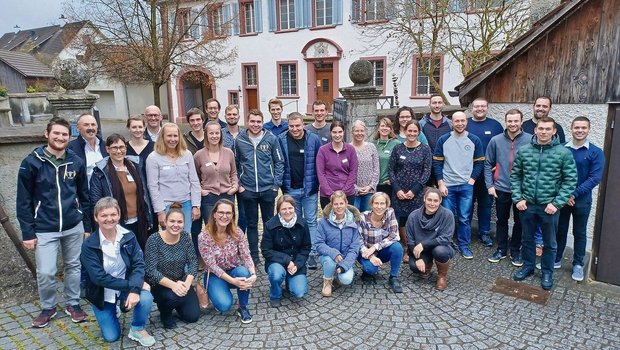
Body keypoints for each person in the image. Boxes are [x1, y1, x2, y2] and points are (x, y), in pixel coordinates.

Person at [17, 117, 91, 327]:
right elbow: (23, 201)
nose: (60, 137)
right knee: (46, 271)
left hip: (73, 225)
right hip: (44, 228)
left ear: (70, 137)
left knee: (73, 266)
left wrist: (86, 225)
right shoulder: (31, 162)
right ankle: (48, 307)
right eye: (56, 133)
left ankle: (73, 303)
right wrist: (27, 233)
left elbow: (84, 196)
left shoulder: (75, 161)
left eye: (64, 134)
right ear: (47, 134)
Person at [511, 116, 577, 290]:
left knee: (549, 242)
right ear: (535, 130)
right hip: (527, 205)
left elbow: (570, 181)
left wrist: (556, 203)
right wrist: (518, 198)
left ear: (554, 131)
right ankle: (528, 266)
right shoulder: (524, 151)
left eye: (548, 129)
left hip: (550, 206)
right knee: (527, 239)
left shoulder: (563, 153)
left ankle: (547, 272)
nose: (544, 132)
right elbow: (516, 176)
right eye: (541, 128)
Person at [80, 197, 155, 346]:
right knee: (111, 336)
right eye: (104, 215)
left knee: (146, 298)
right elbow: (99, 278)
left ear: (119, 215)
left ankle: (137, 328)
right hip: (102, 292)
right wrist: (133, 286)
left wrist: (135, 289)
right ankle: (113, 310)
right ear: (96, 218)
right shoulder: (89, 245)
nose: (109, 219)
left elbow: (138, 265)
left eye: (113, 214)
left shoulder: (128, 236)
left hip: (126, 285)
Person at [555, 116, 604, 281]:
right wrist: (564, 194)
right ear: (571, 128)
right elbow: (556, 174)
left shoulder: (595, 152)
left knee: (579, 232)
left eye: (583, 128)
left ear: (588, 129)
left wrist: (573, 194)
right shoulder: (561, 148)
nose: (580, 130)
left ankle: (577, 264)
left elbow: (594, 178)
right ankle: (556, 258)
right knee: (560, 230)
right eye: (577, 127)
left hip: (582, 200)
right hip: (562, 198)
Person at [235, 109, 285, 264]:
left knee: (269, 223)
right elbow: (235, 164)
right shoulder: (240, 140)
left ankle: (269, 253)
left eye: (258, 121)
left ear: (262, 122)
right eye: (252, 121)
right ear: (247, 122)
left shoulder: (271, 138)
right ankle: (254, 256)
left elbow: (279, 162)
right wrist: (240, 185)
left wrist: (275, 185)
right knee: (251, 224)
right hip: (248, 189)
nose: (255, 124)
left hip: (267, 189)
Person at [433, 111, 485, 259]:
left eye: (462, 121)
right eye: (457, 121)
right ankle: (447, 244)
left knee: (464, 217)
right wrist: (440, 183)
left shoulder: (474, 140)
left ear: (466, 122)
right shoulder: (444, 139)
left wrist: (472, 180)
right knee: (447, 217)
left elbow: (480, 161)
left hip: (466, 185)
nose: (460, 124)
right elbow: (437, 162)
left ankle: (464, 245)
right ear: (452, 123)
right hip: (447, 185)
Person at [89, 134, 153, 250]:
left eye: (122, 147)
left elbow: (144, 194)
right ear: (107, 149)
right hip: (116, 222)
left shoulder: (135, 166)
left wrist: (149, 218)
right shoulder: (100, 172)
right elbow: (95, 200)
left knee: (140, 253)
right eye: (114, 147)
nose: (119, 151)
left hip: (139, 221)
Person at [485, 109, 531, 266]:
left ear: (521, 122)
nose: (512, 124)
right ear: (506, 122)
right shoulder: (496, 140)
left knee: (520, 222)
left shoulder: (531, 140)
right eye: (510, 121)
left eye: (515, 121)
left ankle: (516, 250)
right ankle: (501, 249)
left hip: (522, 191)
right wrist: (490, 185)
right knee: (501, 220)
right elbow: (488, 163)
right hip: (501, 188)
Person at [198, 199, 256, 324]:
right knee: (224, 306)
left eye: (228, 213)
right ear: (214, 214)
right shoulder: (204, 237)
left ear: (232, 215)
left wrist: (253, 274)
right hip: (215, 275)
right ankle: (220, 291)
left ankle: (243, 307)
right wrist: (233, 281)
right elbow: (212, 265)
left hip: (233, 270)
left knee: (244, 272)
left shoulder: (237, 232)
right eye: (221, 212)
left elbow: (246, 254)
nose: (224, 216)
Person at [144, 202, 200, 329]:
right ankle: (165, 311)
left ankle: (178, 303)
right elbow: (151, 270)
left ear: (183, 223)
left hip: (181, 279)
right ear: (165, 222)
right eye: (172, 221)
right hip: (160, 284)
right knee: (173, 296)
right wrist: (174, 286)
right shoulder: (154, 239)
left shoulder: (185, 237)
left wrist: (186, 283)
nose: (176, 225)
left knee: (192, 317)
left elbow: (193, 262)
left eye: (179, 222)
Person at [278, 112, 322, 269]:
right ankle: (295, 252)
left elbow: (319, 162)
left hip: (309, 188)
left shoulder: (313, 139)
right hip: (290, 188)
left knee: (310, 221)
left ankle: (312, 254)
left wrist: (317, 183)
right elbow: (279, 162)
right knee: (293, 221)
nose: (295, 129)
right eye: (291, 126)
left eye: (298, 125)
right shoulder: (281, 139)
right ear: (287, 125)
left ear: (303, 124)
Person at [388, 119, 432, 263]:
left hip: (417, 193)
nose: (412, 133)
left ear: (419, 133)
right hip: (399, 192)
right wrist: (397, 189)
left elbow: (426, 172)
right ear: (405, 132)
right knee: (401, 220)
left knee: (414, 221)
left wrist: (414, 190)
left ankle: (415, 248)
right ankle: (405, 248)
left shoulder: (425, 149)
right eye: (409, 131)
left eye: (415, 131)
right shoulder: (398, 148)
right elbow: (391, 170)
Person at [146, 123, 201, 234]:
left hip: (186, 203)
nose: (173, 139)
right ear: (162, 137)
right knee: (170, 238)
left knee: (185, 236)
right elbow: (152, 186)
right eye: (169, 136)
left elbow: (194, 181)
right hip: (166, 205)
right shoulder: (153, 157)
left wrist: (196, 205)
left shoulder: (187, 154)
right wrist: (160, 212)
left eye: (175, 136)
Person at [465, 98, 503, 247]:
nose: (479, 109)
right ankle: (465, 232)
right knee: (466, 204)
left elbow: (503, 147)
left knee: (486, 204)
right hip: (468, 173)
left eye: (482, 106)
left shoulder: (495, 126)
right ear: (471, 108)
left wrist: (498, 165)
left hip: (487, 173)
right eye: (476, 106)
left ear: (487, 108)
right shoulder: (464, 123)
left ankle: (485, 233)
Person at [261, 195, 311, 307]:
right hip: (277, 262)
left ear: (294, 208)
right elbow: (266, 250)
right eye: (284, 209)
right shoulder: (270, 225)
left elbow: (306, 247)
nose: (287, 211)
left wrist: (297, 264)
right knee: (276, 275)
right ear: (278, 210)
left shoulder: (303, 223)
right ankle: (275, 294)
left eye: (290, 208)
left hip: (296, 262)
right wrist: (287, 260)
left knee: (299, 292)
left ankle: (290, 282)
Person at [194, 121, 238, 248]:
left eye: (217, 133)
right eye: (211, 133)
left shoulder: (228, 153)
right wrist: (201, 191)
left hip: (227, 196)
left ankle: (229, 255)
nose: (214, 136)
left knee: (227, 227)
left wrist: (234, 186)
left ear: (221, 134)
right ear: (206, 135)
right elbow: (194, 177)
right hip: (209, 198)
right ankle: (210, 258)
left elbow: (234, 172)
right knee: (211, 229)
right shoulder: (199, 155)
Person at [406, 188, 455, 290]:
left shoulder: (447, 215)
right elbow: (410, 240)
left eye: (435, 201)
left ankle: (442, 276)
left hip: (440, 247)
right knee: (414, 266)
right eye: (429, 200)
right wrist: (418, 259)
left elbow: (446, 238)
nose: (432, 204)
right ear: (424, 199)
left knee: (440, 252)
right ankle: (427, 265)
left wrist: (423, 244)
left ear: (440, 201)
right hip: (421, 251)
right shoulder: (413, 216)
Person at [316, 191, 361, 297]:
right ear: (332, 205)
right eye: (336, 204)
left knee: (346, 279)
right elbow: (319, 244)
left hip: (345, 258)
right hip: (328, 256)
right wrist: (334, 253)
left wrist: (345, 265)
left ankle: (339, 275)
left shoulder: (354, 223)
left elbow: (354, 248)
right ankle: (327, 281)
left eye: (341, 203)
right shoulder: (323, 222)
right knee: (329, 261)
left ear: (346, 203)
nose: (339, 207)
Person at [357, 192, 403, 293]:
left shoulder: (390, 213)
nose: (379, 207)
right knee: (370, 269)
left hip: (381, 250)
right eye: (376, 203)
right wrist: (370, 255)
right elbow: (358, 240)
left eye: (382, 203)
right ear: (371, 204)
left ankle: (393, 277)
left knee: (397, 247)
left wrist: (375, 247)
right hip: (365, 252)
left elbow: (394, 235)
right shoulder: (362, 217)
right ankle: (366, 271)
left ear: (387, 205)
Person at [316, 121, 358, 209]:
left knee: (347, 221)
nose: (337, 135)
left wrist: (343, 193)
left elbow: (353, 172)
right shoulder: (323, 150)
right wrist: (330, 194)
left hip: (347, 195)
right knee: (329, 221)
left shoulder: (350, 150)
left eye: (340, 132)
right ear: (330, 133)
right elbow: (321, 174)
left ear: (344, 132)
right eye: (334, 132)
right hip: (327, 196)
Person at [68, 113, 108, 184]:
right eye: (86, 125)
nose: (90, 128)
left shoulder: (105, 146)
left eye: (93, 124)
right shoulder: (71, 148)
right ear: (78, 128)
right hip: (85, 193)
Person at [350, 120, 379, 212]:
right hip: (352, 191)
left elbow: (376, 168)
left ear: (365, 131)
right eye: (357, 131)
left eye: (362, 131)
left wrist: (370, 186)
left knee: (367, 219)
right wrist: (356, 188)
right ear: (352, 132)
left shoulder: (371, 147)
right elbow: (345, 171)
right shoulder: (347, 148)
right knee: (353, 219)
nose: (359, 133)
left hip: (369, 192)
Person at [371, 117, 401, 198]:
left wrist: (394, 179)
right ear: (378, 128)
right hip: (373, 184)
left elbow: (401, 164)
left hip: (387, 184)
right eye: (382, 126)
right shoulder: (372, 144)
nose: (385, 128)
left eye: (387, 126)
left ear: (391, 129)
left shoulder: (396, 144)